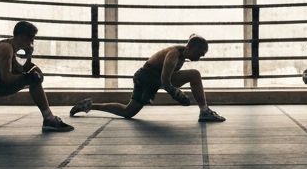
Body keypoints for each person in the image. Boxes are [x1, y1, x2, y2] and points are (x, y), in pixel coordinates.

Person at [69, 35, 225, 122]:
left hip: (145, 78)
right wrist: (178, 95)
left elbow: (165, 79)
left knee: (128, 111)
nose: (201, 56)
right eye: (200, 52)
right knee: (195, 74)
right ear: (191, 48)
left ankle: (89, 105)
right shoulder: (174, 55)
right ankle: (204, 111)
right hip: (148, 78)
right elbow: (165, 81)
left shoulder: (183, 54)